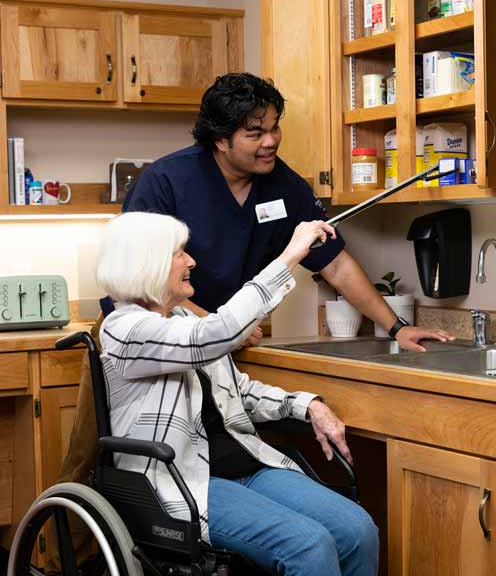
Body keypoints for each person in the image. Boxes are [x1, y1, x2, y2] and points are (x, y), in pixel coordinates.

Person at [96, 211, 379, 576]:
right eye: (179, 253)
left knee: (358, 530)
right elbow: (218, 333)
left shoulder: (182, 319)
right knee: (309, 546)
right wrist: (290, 256)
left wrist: (306, 406)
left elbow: (239, 392)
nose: (191, 261)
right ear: (146, 264)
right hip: (184, 483)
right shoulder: (125, 331)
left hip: (246, 465)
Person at [123, 72, 453, 351]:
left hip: (226, 341)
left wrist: (397, 328)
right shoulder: (165, 183)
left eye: (274, 128)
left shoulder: (285, 186)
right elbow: (143, 284)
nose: (271, 141)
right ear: (220, 141)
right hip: (154, 343)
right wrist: (219, 329)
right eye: (255, 134)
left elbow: (334, 264)